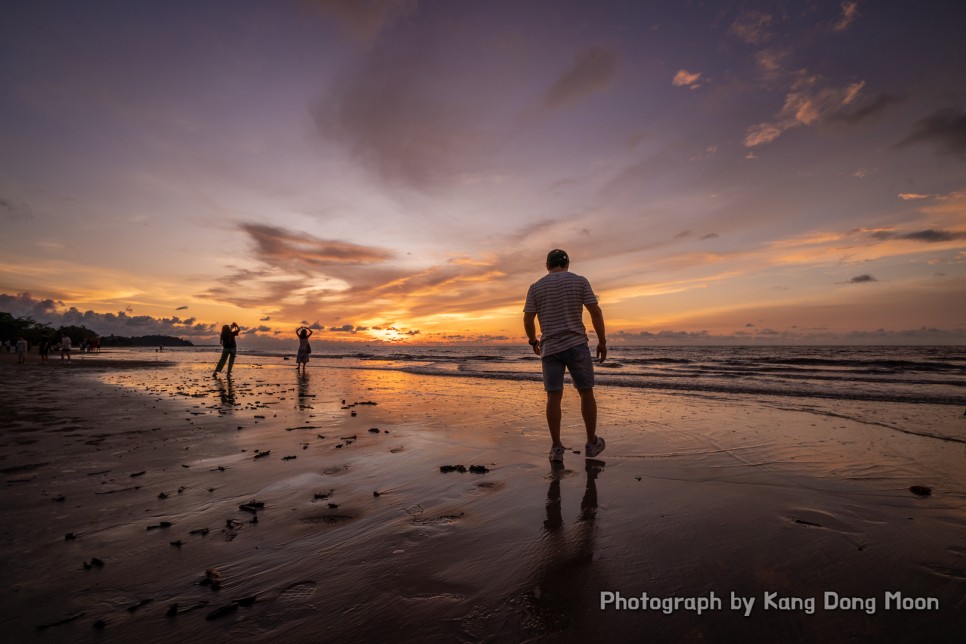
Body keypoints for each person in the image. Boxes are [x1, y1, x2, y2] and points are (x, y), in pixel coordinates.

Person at [523, 249, 607, 463]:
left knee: (553, 396)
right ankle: (591, 443)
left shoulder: (536, 287)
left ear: (547, 265)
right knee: (586, 392)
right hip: (576, 344)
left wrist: (534, 341)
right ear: (567, 263)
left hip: (550, 348)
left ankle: (557, 447)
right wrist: (602, 341)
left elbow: (528, 319)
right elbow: (595, 312)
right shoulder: (579, 281)